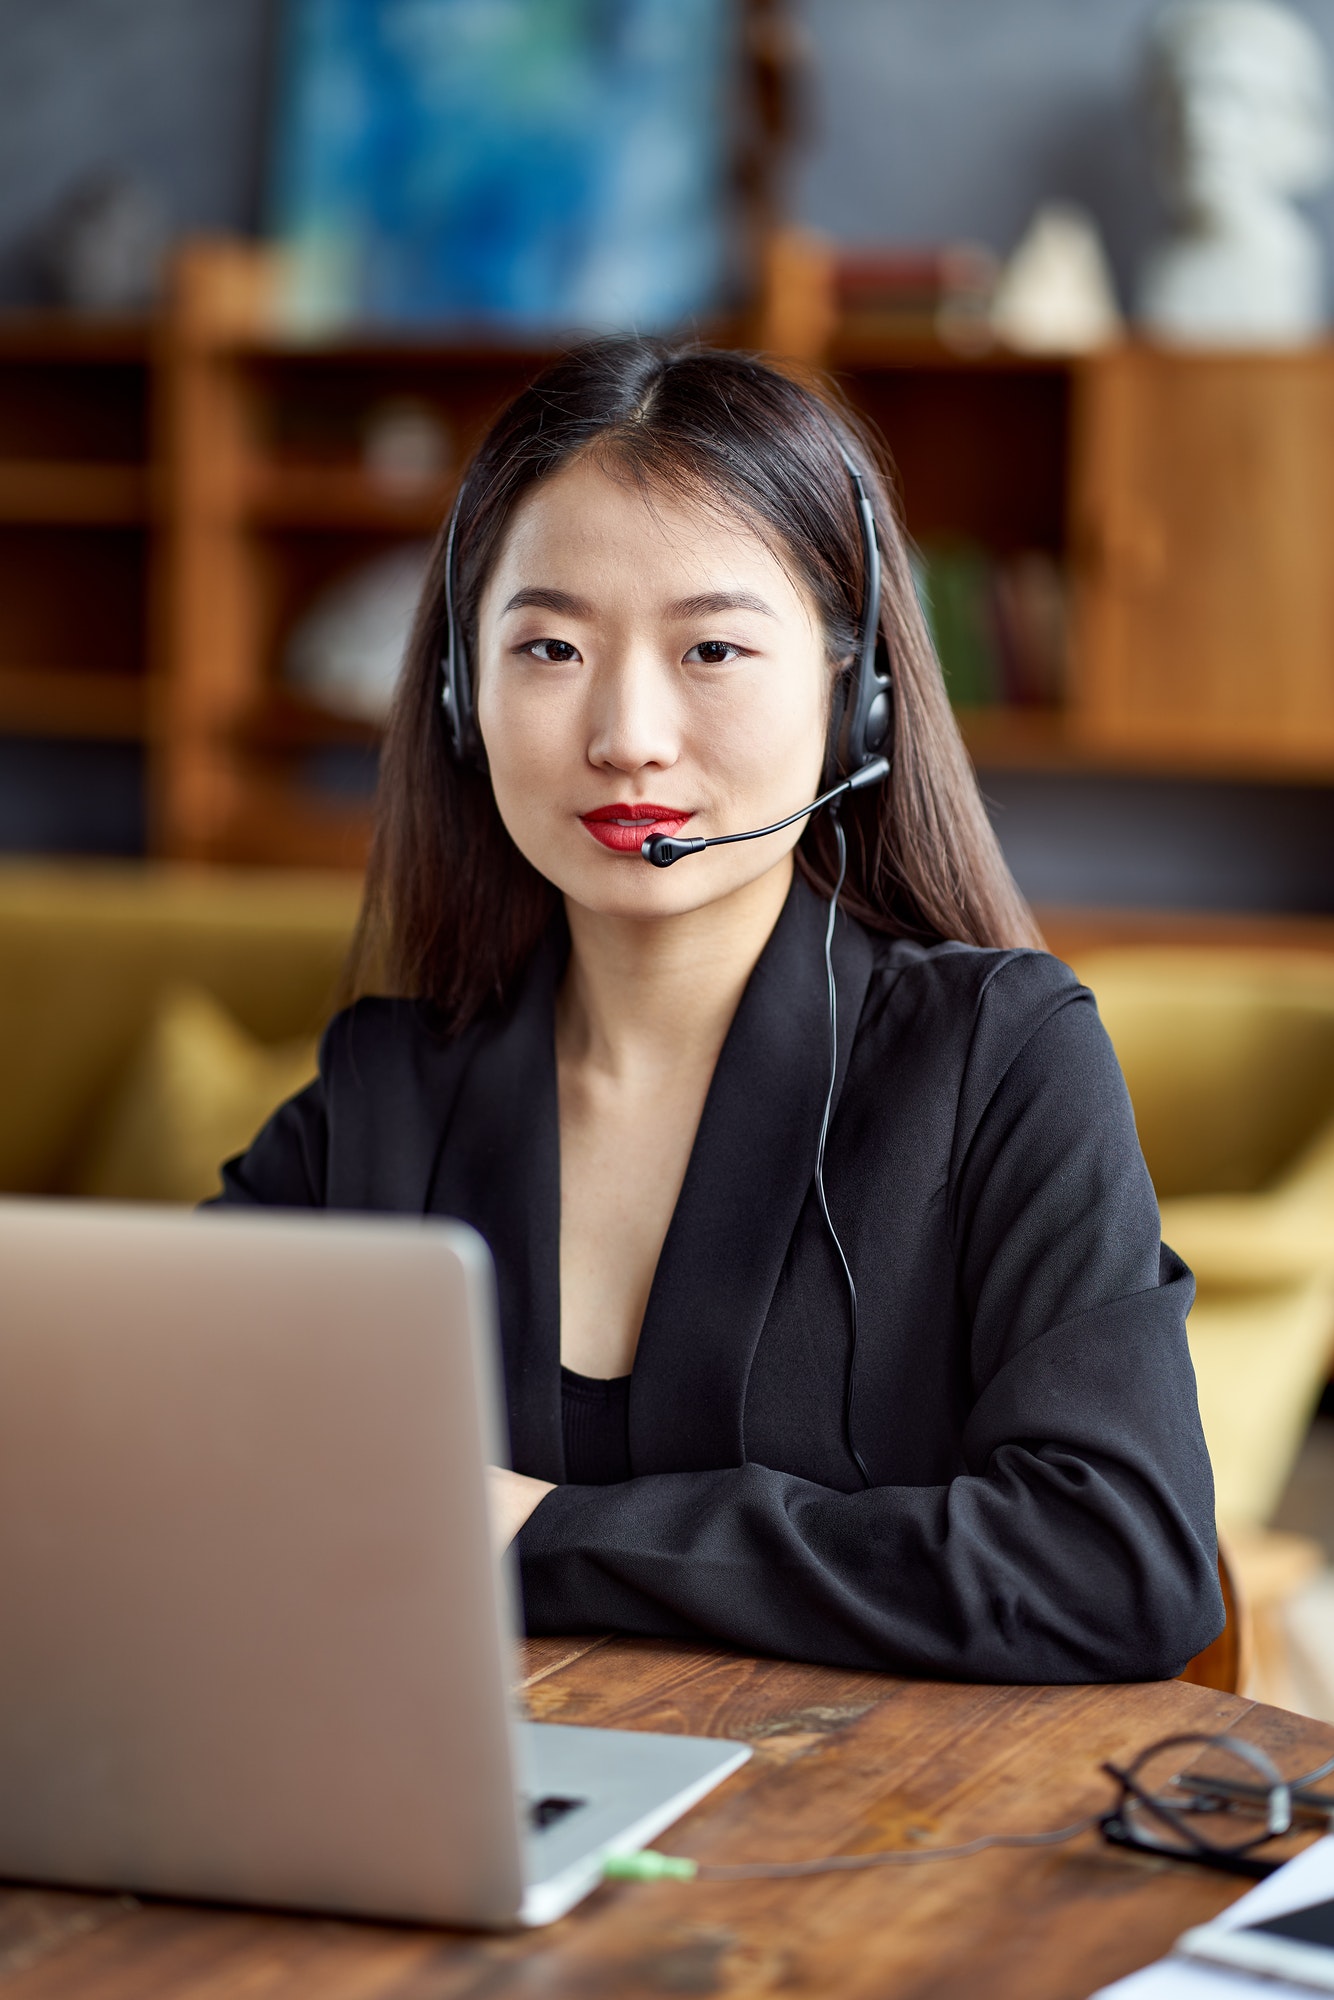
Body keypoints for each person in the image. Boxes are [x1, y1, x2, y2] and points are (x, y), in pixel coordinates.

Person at [217, 337, 1224, 1682]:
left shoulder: (998, 1058)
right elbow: (177, 1475)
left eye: (709, 646)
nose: (626, 731)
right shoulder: (382, 1096)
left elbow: (1115, 1568)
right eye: (551, 645)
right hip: (467, 1823)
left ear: (849, 691)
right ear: (464, 693)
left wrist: (548, 1535)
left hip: (873, 1840)